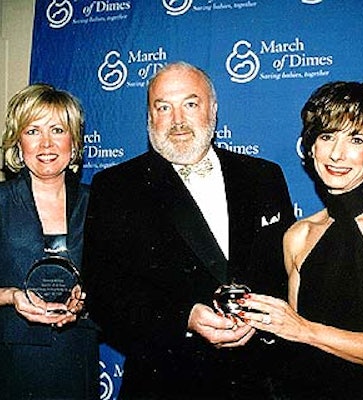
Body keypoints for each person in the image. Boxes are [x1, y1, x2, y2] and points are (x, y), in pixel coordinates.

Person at [82, 61, 295, 399]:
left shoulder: (264, 176)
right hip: (165, 382)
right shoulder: (116, 186)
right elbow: (103, 293)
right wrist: (184, 318)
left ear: (213, 109)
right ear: (150, 117)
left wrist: (263, 323)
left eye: (190, 104)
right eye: (163, 107)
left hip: (258, 382)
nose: (177, 120)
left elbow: (286, 274)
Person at [239, 81, 363, 399]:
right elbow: (294, 345)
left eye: (356, 139)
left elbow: (303, 331)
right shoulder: (297, 236)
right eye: (327, 137)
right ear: (311, 148)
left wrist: (307, 331)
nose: (337, 154)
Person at [0, 84, 99, 399]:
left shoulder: (99, 204)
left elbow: (119, 287)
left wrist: (87, 300)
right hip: (8, 366)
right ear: (18, 141)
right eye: (33, 131)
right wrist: (11, 296)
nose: (47, 144)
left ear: (74, 141)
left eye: (57, 129)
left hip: (76, 361)